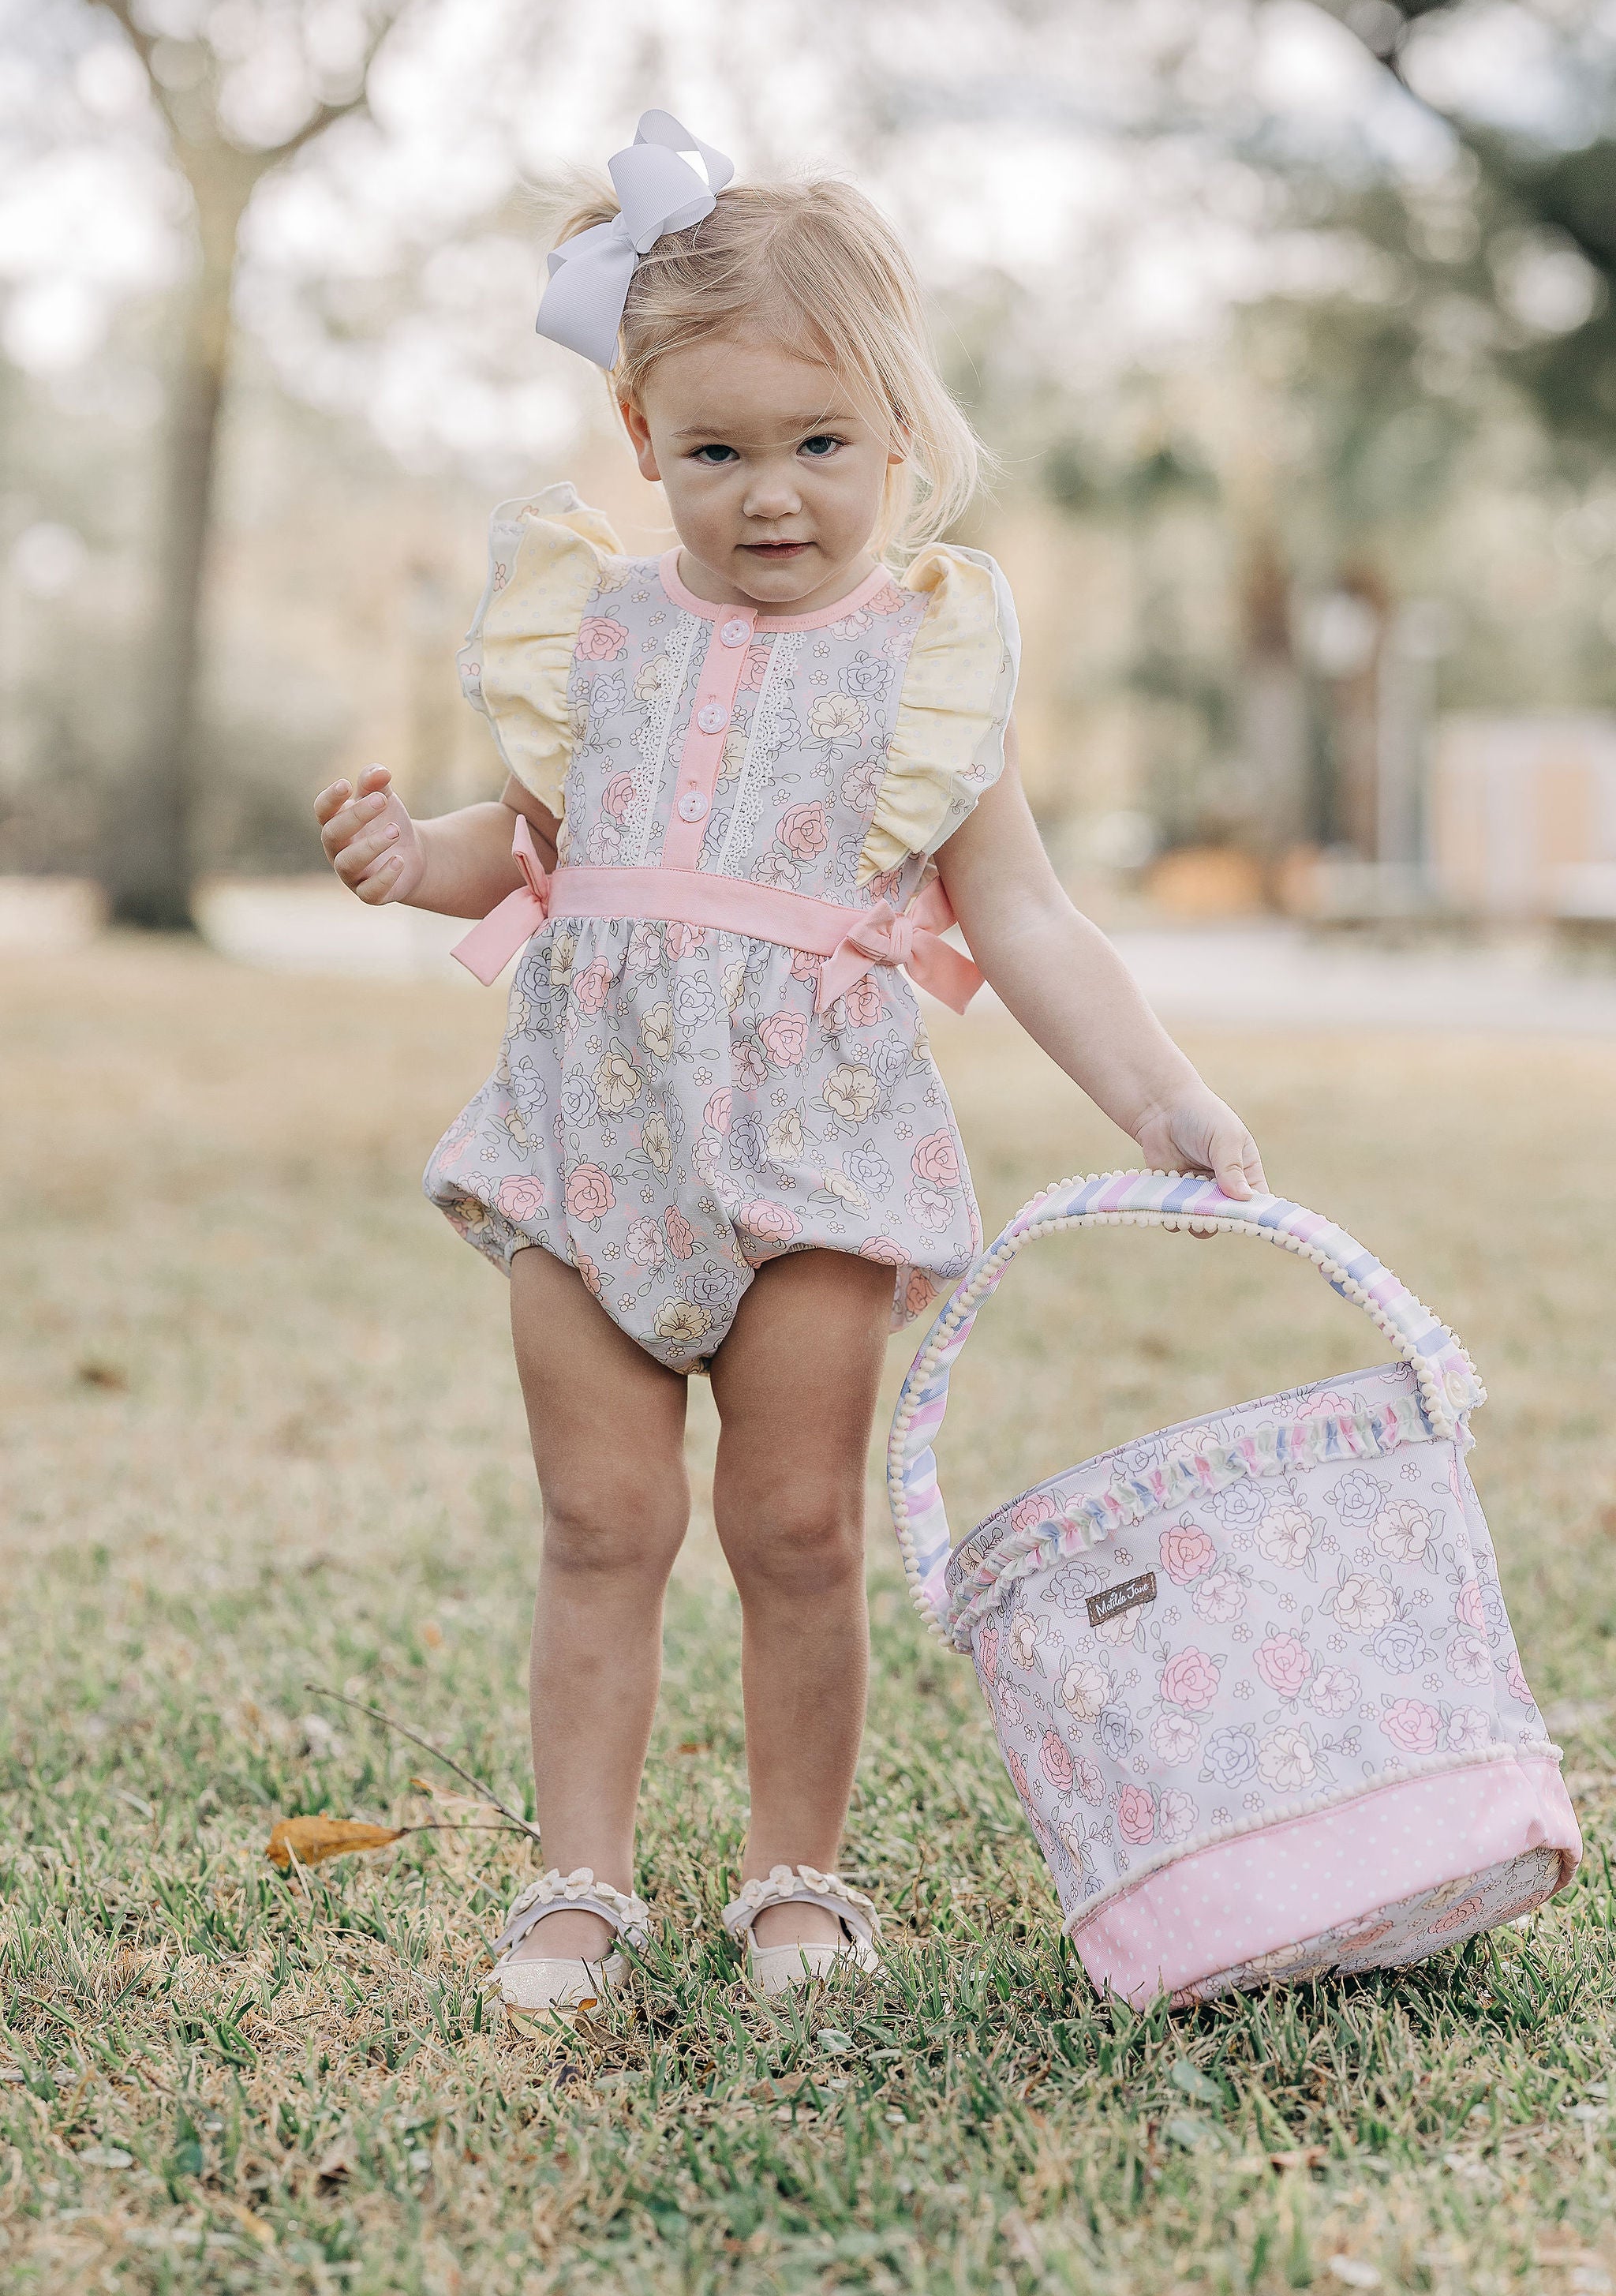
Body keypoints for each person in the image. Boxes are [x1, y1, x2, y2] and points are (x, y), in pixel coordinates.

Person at [313, 112, 1268, 2007]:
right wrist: (403, 861)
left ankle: (796, 1880)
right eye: (718, 450)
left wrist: (1164, 1096)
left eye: (819, 445)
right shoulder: (590, 631)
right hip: (589, 1138)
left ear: (897, 438)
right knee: (600, 1522)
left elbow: (1028, 919)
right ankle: (575, 1883)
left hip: (815, 1157)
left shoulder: (927, 658)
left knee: (794, 1525)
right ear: (643, 444)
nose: (770, 494)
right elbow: (525, 846)